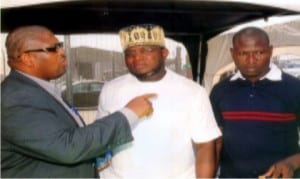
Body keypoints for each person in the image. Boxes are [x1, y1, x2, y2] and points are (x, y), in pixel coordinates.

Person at [1, 25, 156, 178]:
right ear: (27, 58)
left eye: (61, 45)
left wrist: (93, 158)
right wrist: (129, 113)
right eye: (53, 48)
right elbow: (67, 147)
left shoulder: (37, 90)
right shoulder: (15, 98)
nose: (63, 52)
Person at [96, 24, 221, 178]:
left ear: (164, 53)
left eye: (146, 51)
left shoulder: (193, 92)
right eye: (130, 53)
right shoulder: (110, 89)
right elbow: (101, 137)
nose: (137, 58)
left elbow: (204, 146)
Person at [209, 26, 300, 178]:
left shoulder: (294, 88)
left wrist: (292, 163)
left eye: (259, 52)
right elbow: (214, 144)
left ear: (270, 51)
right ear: (232, 53)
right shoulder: (220, 91)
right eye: (243, 53)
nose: (251, 60)